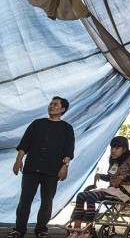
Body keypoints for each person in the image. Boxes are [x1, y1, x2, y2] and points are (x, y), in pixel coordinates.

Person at [7, 96, 75, 238]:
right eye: (50, 103)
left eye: (55, 104)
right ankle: (19, 230)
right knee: (25, 200)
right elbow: (24, 144)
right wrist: (18, 160)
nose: (51, 106)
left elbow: (69, 150)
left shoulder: (67, 128)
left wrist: (65, 166)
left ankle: (41, 230)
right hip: (31, 168)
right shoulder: (37, 124)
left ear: (62, 109)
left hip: (52, 170)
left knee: (47, 201)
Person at [70, 136, 130, 229]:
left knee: (91, 197)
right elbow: (110, 177)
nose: (113, 151)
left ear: (124, 149)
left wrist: (123, 176)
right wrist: (100, 176)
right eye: (112, 147)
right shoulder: (113, 161)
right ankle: (77, 228)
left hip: (124, 191)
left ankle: (88, 229)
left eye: (117, 148)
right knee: (81, 195)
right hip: (112, 190)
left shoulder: (129, 159)